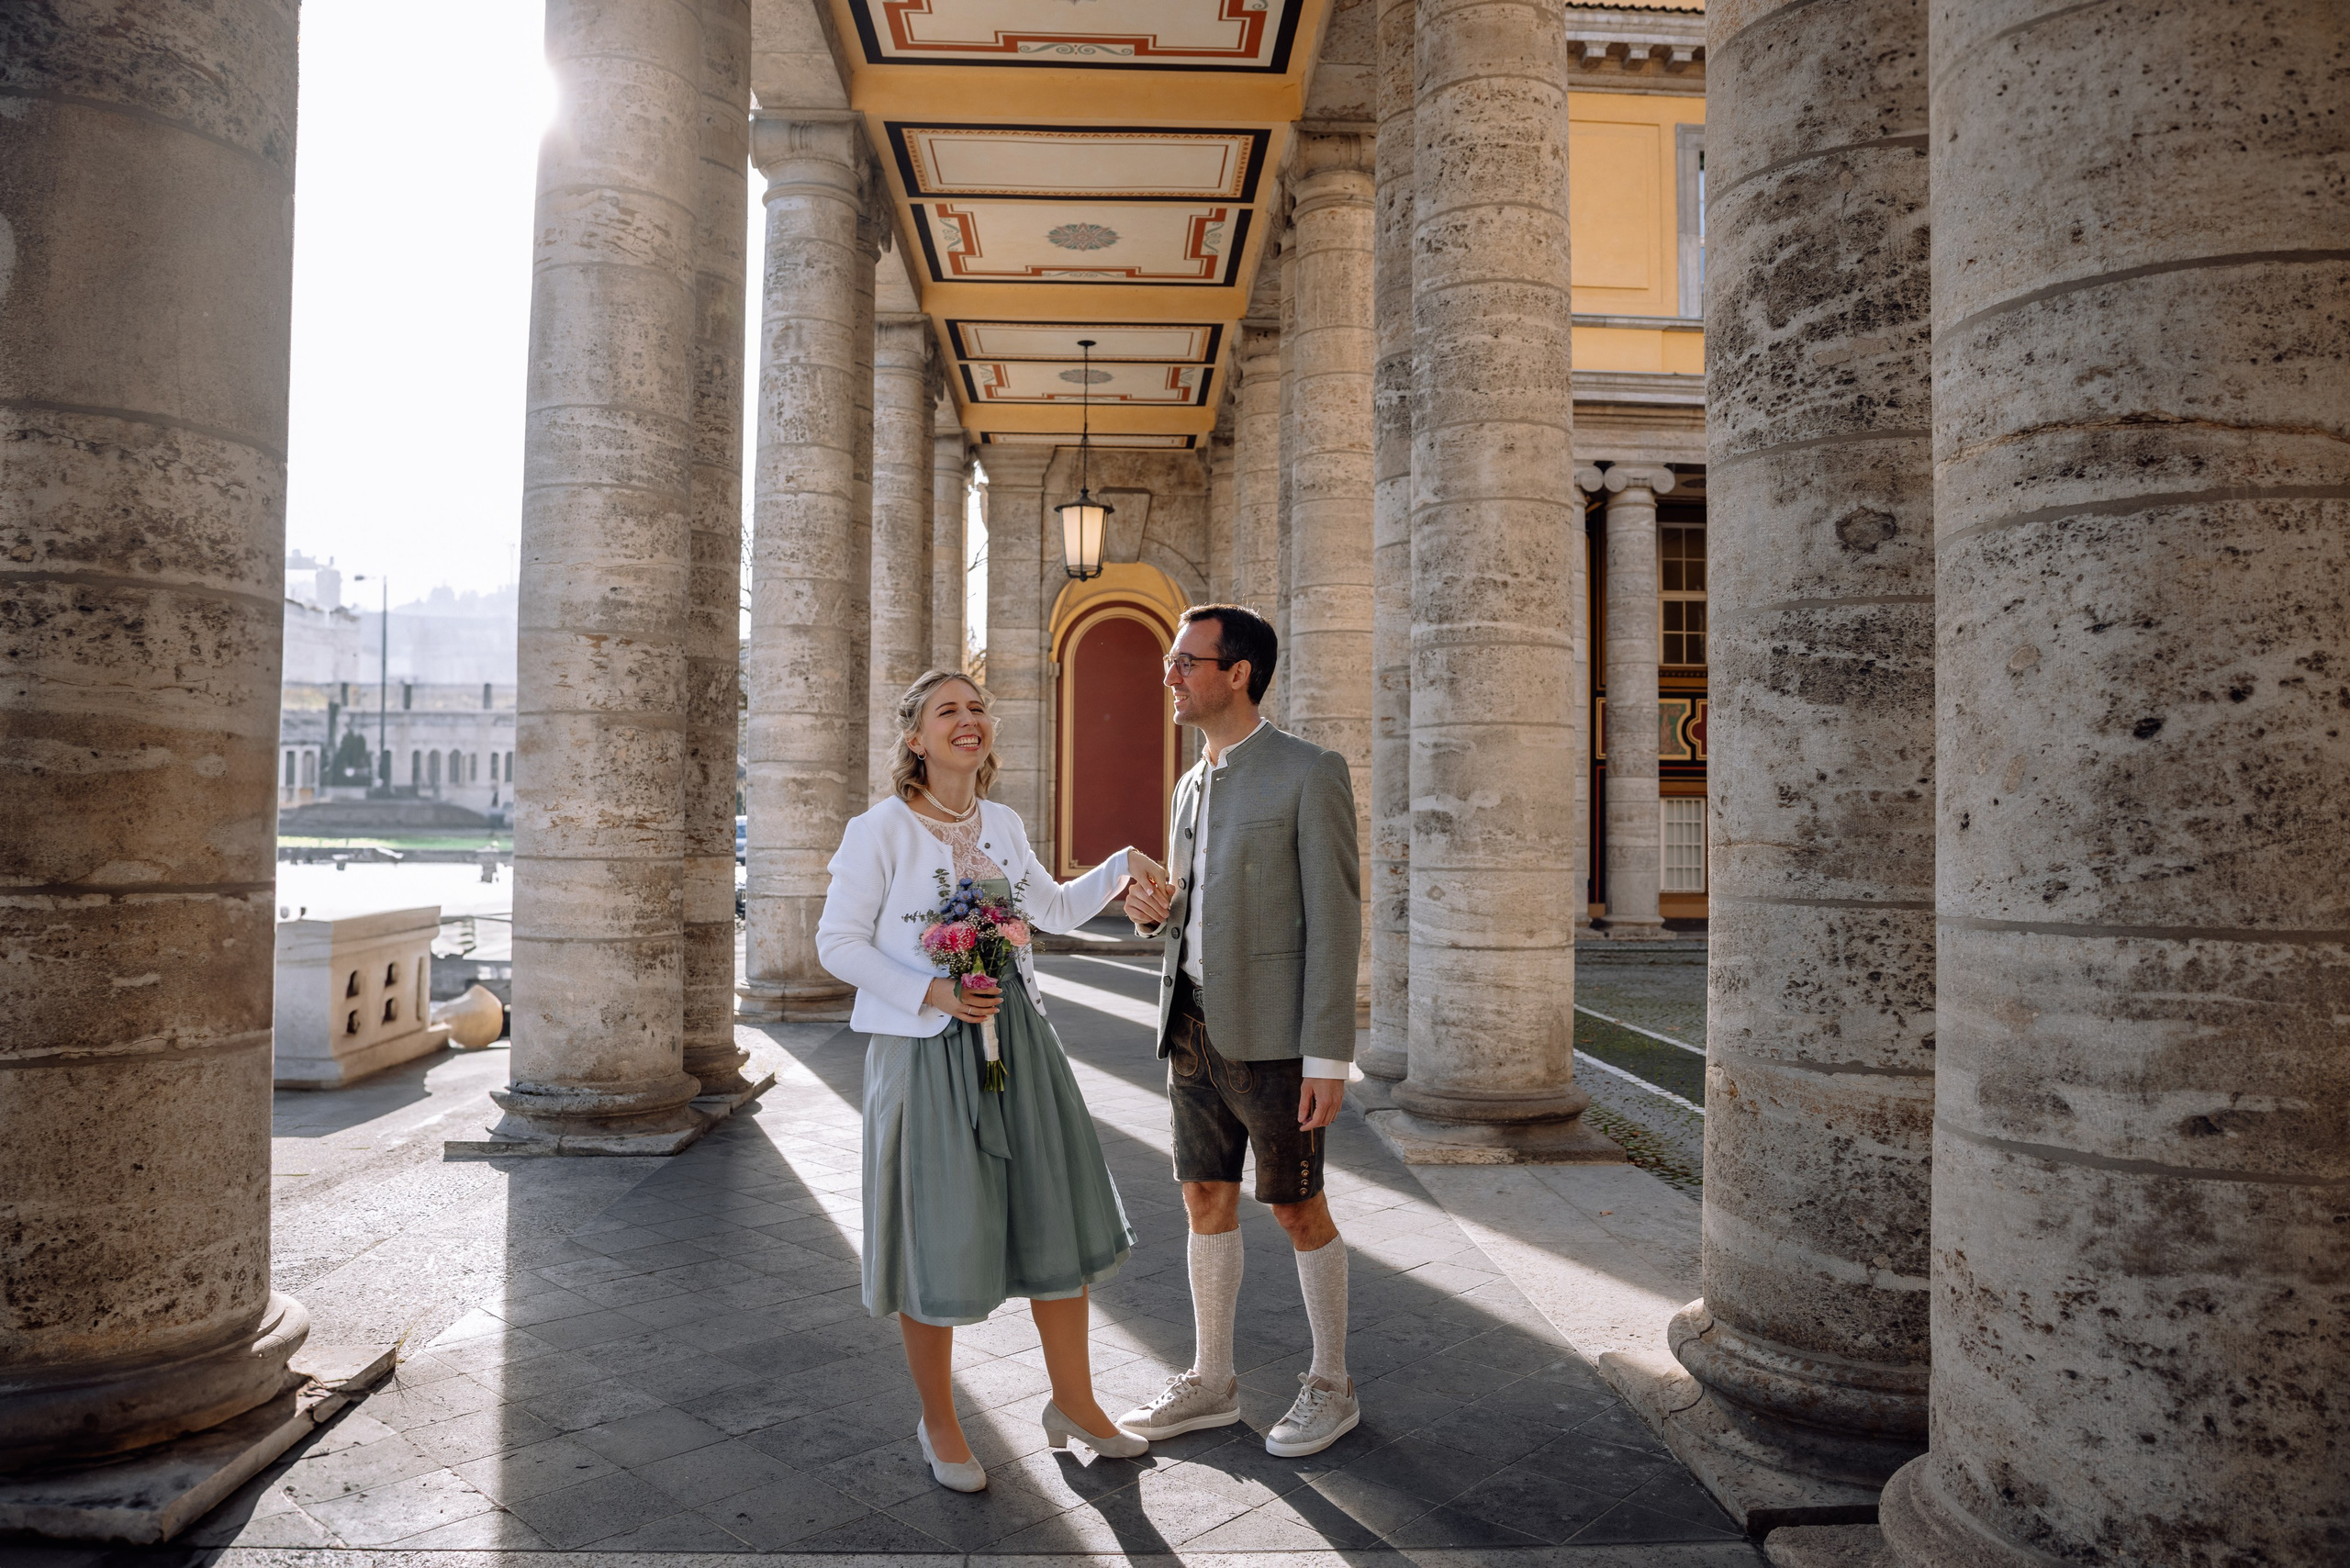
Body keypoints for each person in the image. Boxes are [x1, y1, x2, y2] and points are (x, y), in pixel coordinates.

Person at [816, 669, 1149, 1493]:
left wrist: (1122, 866)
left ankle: (1075, 1404)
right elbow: (837, 943)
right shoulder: (879, 831)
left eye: (976, 708)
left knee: (1053, 1219)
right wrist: (933, 991)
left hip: (1020, 1049)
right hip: (927, 1053)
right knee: (938, 1233)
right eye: (947, 712)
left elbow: (1055, 912)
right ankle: (939, 1421)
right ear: (915, 739)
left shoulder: (1001, 822)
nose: (969, 721)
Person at [1115, 604, 1365, 1458]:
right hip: (1188, 1026)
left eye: (1186, 662)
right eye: (1171, 663)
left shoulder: (1310, 772)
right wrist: (1156, 915)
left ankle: (1332, 1383)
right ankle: (1212, 1381)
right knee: (1202, 1198)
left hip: (1276, 1038)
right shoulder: (1191, 782)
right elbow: (1191, 905)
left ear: (1238, 673)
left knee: (1297, 1208)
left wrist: (1329, 1056)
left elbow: (1335, 923)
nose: (1170, 677)